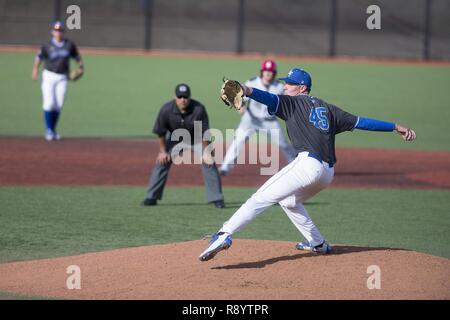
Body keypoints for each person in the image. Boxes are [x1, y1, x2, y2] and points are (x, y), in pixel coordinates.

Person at [199, 68, 416, 261]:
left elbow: (267, 97)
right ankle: (318, 244)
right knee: (289, 202)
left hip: (307, 165)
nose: (285, 86)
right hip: (326, 174)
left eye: (290, 83)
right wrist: (395, 126)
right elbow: (362, 122)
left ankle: (224, 234)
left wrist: (246, 90)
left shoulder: (291, 102)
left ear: (302, 88)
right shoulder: (330, 109)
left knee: (260, 197)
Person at [142, 84, 225, 209]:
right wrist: (163, 151)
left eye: (185, 97)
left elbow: (204, 133)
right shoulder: (166, 109)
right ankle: (151, 197)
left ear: (189, 97)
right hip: (175, 139)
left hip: (197, 139)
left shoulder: (198, 109)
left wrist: (207, 153)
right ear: (175, 97)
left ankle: (217, 198)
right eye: (180, 96)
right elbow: (160, 132)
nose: (183, 99)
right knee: (162, 162)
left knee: (209, 162)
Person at [219, 59, 296, 176]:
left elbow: (285, 102)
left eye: (270, 71)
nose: (268, 73)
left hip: (270, 122)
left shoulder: (279, 87)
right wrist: (240, 108)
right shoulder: (252, 82)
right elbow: (239, 98)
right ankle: (225, 167)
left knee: (283, 144)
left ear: (274, 73)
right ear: (262, 72)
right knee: (238, 141)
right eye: (266, 71)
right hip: (250, 119)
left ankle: (295, 165)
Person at [31, 21, 84, 141]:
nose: (58, 33)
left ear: (63, 32)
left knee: (58, 105)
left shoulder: (69, 44)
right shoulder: (47, 45)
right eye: (56, 30)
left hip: (63, 77)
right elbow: (38, 57)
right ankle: (49, 130)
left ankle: (53, 130)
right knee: (49, 103)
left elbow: (77, 57)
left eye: (60, 30)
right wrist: (35, 70)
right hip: (49, 76)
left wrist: (81, 67)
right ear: (52, 32)